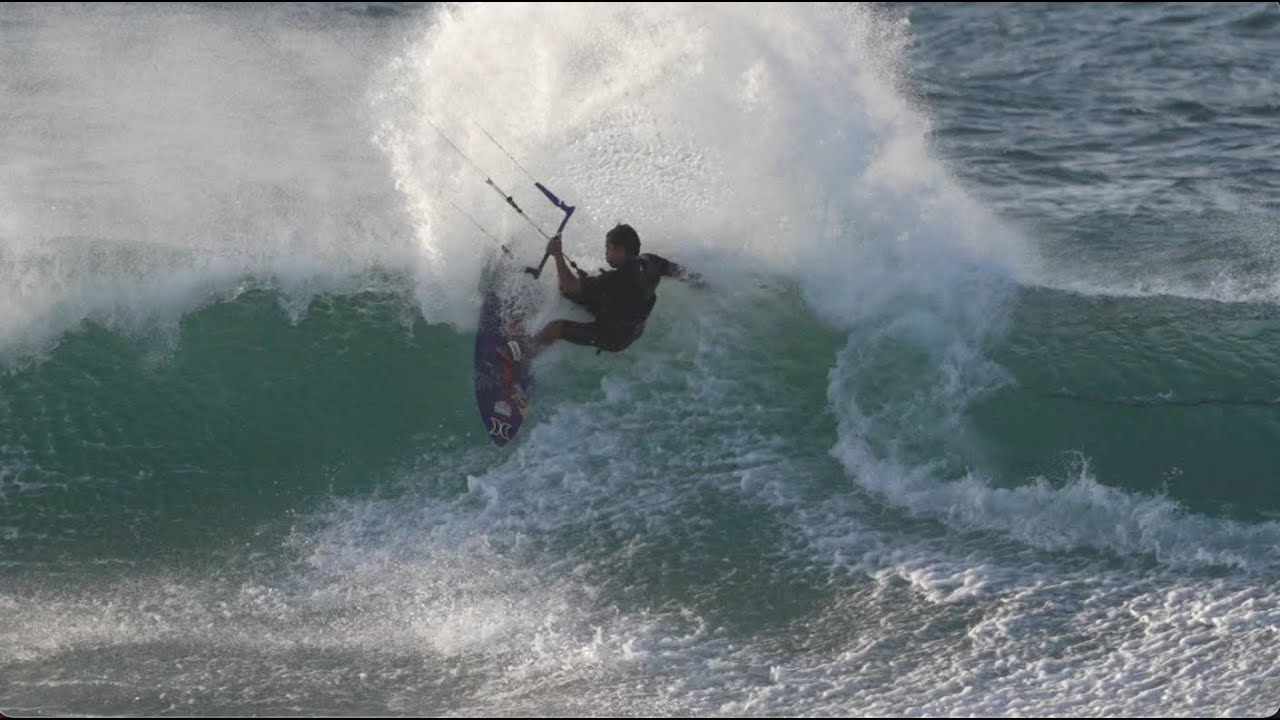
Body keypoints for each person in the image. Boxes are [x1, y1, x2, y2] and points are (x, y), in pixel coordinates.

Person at [498, 223, 703, 364]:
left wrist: (558, 255)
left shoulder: (616, 279)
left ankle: (525, 353)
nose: (606, 253)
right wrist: (698, 281)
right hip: (629, 320)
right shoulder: (650, 261)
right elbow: (676, 270)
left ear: (621, 250)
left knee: (557, 327)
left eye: (608, 249)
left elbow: (570, 285)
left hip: (615, 337)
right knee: (569, 291)